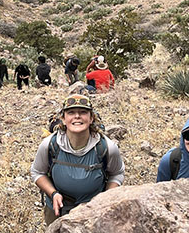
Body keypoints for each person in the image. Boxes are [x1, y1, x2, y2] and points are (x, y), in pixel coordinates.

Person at [32, 92, 125, 226]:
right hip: (58, 208)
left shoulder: (106, 147)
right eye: (71, 112)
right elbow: (37, 172)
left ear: (91, 118)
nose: (77, 116)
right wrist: (53, 194)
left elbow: (117, 174)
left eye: (83, 112)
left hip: (94, 210)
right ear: (63, 119)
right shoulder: (50, 145)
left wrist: (106, 201)